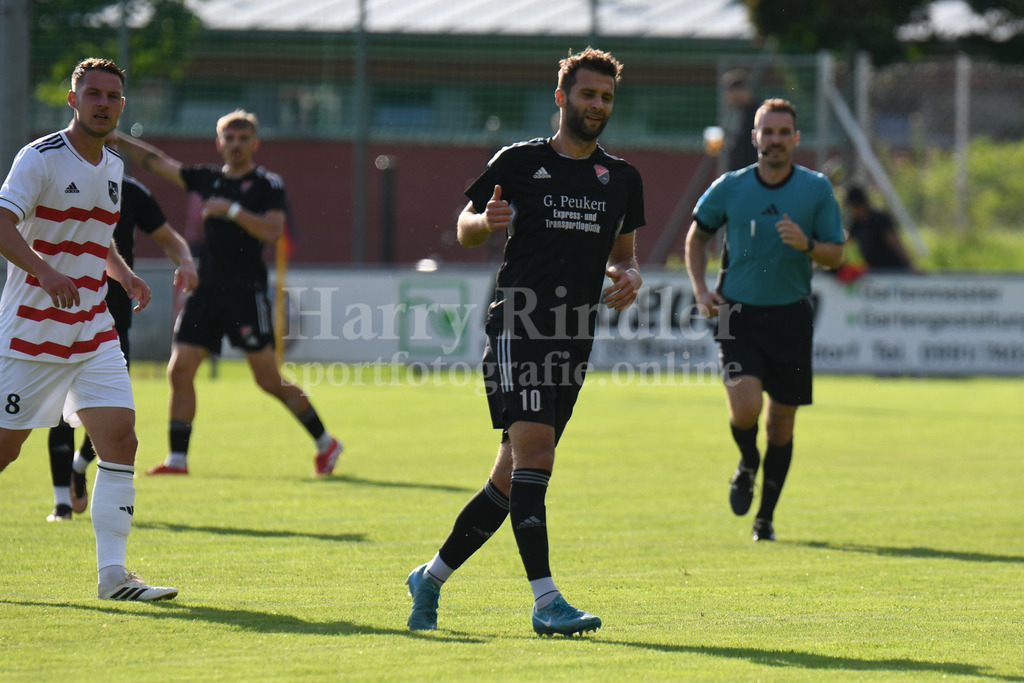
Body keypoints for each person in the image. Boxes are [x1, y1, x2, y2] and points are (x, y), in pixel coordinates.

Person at [405, 47, 645, 637]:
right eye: (587, 94)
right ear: (562, 98)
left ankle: (429, 578)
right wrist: (484, 222)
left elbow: (626, 257)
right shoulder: (518, 161)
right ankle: (546, 600)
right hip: (518, 326)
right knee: (537, 456)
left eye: (606, 97)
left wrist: (631, 277)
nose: (597, 105)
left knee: (511, 477)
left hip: (574, 335)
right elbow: (462, 228)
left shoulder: (622, 179)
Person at [0, 57, 177, 600]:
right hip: (30, 333)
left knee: (120, 438)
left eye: (114, 97)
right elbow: (1, 223)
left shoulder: (115, 166)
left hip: (92, 328)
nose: (104, 103)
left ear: (123, 106)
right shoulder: (40, 157)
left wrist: (122, 275)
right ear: (72, 99)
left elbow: (98, 238)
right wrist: (46, 271)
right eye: (93, 94)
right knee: (5, 452)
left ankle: (113, 577)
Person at [114, 111, 343, 477]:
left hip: (245, 294)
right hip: (205, 291)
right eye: (229, 139)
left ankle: (325, 442)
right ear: (219, 144)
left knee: (268, 379)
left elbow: (272, 230)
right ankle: (177, 459)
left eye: (243, 138)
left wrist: (232, 210)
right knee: (180, 370)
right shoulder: (207, 179)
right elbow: (160, 164)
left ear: (255, 144)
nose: (236, 145)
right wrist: (119, 139)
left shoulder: (268, 184)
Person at [684, 98, 845, 542]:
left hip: (791, 317)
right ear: (754, 137)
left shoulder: (816, 190)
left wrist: (808, 245)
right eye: (766, 132)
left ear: (795, 139)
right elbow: (696, 238)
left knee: (781, 424)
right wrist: (700, 289)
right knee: (746, 407)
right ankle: (746, 463)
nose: (774, 140)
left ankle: (765, 518)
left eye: (782, 132)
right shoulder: (730, 187)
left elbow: (836, 253)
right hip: (738, 313)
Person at [46, 167, 199, 521]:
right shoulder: (52, 176)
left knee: (114, 413)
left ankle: (79, 467)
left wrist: (186, 260)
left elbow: (167, 236)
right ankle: (62, 504)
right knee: (55, 411)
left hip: (112, 318)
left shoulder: (128, 190)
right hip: (60, 313)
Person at [845, 185, 916, 272]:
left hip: (893, 270)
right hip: (876, 271)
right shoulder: (857, 223)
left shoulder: (879, 219)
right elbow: (845, 243)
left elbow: (896, 244)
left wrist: (910, 266)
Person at [721, 70, 760, 171]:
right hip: (739, 171)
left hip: (752, 170)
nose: (727, 97)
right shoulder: (737, 112)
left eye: (730, 92)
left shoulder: (758, 113)